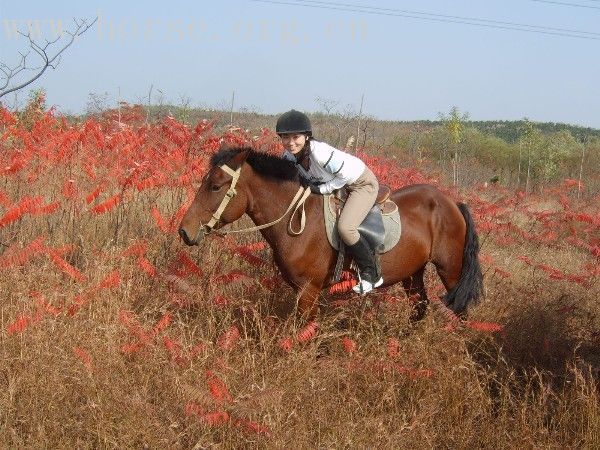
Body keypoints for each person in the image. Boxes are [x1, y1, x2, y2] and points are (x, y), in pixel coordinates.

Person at [276, 109, 383, 294]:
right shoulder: (288, 157)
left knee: (346, 227)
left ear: (307, 136)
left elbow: (345, 175)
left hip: (359, 183)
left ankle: (371, 274)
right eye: (285, 137)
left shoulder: (320, 153)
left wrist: (323, 189)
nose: (291, 142)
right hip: (335, 185)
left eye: (296, 137)